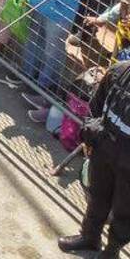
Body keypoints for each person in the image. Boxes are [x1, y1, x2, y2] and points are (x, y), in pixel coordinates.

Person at [56, 60, 130, 258]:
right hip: (104, 150)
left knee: (125, 210)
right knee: (97, 196)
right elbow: (95, 107)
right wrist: (91, 135)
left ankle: (112, 250)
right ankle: (89, 237)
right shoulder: (119, 71)